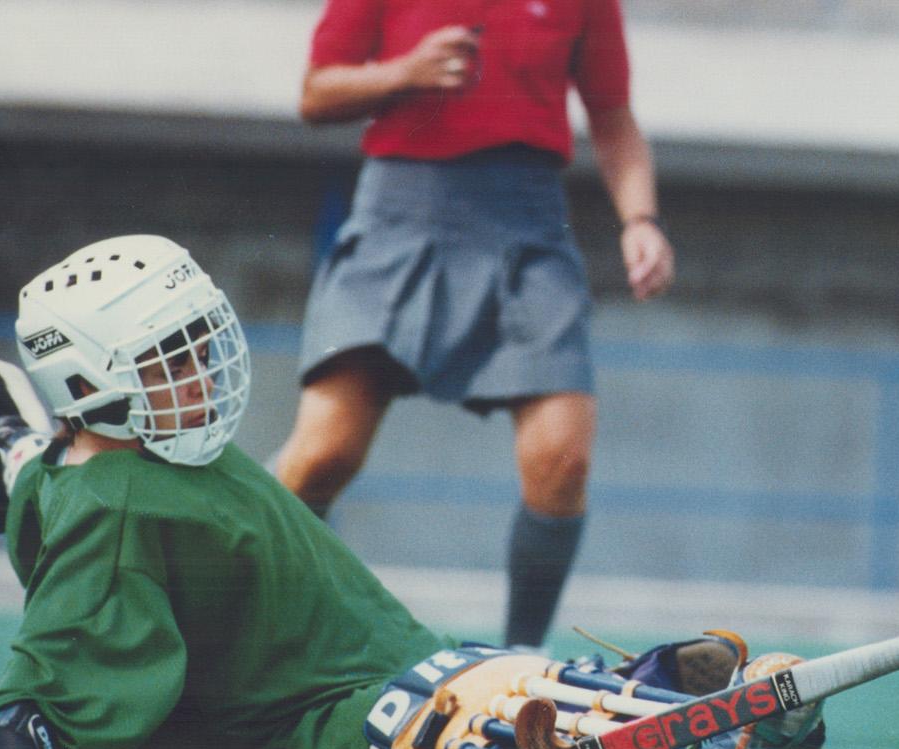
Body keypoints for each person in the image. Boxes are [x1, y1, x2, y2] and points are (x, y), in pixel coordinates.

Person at [0, 235, 818, 749]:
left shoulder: (149, 455)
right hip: (289, 747)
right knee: (465, 723)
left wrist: (17, 459)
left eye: (200, 340)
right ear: (91, 385)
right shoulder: (119, 504)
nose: (204, 367)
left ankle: (636, 714)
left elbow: (65, 470)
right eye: (171, 357)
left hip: (353, 679)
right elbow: (80, 652)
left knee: (485, 683)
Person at [277, 0, 676, 650]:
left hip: (527, 225)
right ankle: (238, 615)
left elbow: (611, 115)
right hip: (399, 215)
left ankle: (521, 658)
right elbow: (317, 91)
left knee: (562, 457)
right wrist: (403, 72)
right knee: (324, 453)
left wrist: (642, 220)